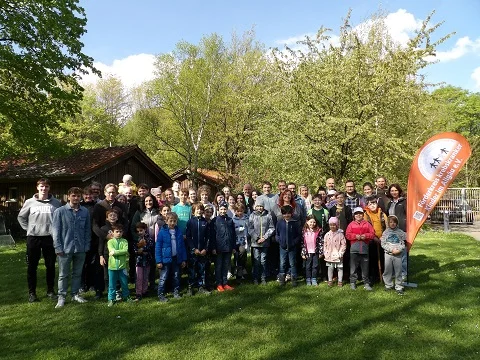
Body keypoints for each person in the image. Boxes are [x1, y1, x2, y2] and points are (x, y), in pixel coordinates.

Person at [18, 178, 62, 302]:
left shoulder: (56, 203)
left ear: (49, 188)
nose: (44, 189)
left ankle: (50, 291)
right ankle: (32, 293)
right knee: (32, 266)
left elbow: (60, 219)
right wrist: (29, 230)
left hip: (50, 238)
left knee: (50, 266)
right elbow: (21, 217)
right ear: (37, 187)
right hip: (34, 238)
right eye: (41, 186)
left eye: (46, 186)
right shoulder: (29, 202)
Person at [52, 187, 91, 308]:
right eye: (73, 196)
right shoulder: (60, 211)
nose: (76, 198)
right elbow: (55, 231)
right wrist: (58, 247)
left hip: (80, 248)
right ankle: (61, 296)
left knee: (77, 273)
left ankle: (75, 294)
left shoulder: (85, 211)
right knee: (63, 274)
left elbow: (87, 230)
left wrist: (86, 245)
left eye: (78, 196)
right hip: (64, 249)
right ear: (68, 196)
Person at [156, 212, 187, 302]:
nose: (173, 223)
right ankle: (161, 294)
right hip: (165, 259)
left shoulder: (178, 231)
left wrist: (184, 259)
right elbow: (158, 247)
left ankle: (176, 291)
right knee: (163, 277)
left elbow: (182, 246)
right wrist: (159, 261)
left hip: (176, 258)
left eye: (174, 221)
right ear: (166, 221)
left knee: (176, 276)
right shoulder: (162, 232)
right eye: (171, 221)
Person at [345, 207, 375, 291]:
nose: (358, 215)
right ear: (354, 215)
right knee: (353, 267)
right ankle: (353, 282)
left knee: (365, 267)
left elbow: (372, 234)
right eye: (356, 214)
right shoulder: (351, 224)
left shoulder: (367, 224)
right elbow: (347, 235)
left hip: (364, 248)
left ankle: (366, 282)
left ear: (363, 214)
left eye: (360, 213)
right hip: (354, 249)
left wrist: (366, 236)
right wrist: (355, 236)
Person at [185, 203, 211, 296]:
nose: (199, 211)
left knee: (202, 269)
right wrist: (193, 248)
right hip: (193, 251)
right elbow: (188, 237)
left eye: (200, 209)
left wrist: (205, 249)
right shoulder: (190, 222)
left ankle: (201, 287)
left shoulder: (205, 222)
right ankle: (190, 287)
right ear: (193, 211)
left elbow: (208, 237)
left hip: (203, 251)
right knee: (192, 270)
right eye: (197, 210)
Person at [248, 198, 275, 285]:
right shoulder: (252, 215)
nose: (259, 208)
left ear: (263, 207)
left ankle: (263, 278)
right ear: (255, 207)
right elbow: (250, 228)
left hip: (265, 242)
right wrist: (256, 238)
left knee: (263, 260)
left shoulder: (268, 215)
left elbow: (271, 228)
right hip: (255, 243)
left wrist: (265, 237)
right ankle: (255, 278)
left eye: (261, 206)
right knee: (256, 261)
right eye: (258, 206)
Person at [212, 201, 236, 292]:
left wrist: (233, 246)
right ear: (218, 209)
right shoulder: (215, 220)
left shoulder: (230, 220)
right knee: (218, 266)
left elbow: (233, 234)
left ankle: (225, 283)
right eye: (221, 209)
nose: (223, 211)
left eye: (224, 209)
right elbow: (213, 235)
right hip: (218, 248)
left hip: (228, 247)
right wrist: (213, 247)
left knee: (226, 265)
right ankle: (219, 284)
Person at [363, 195, 388, 284]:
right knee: (372, 258)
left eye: (374, 203)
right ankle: (373, 276)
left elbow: (387, 226)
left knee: (382, 258)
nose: (372, 205)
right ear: (367, 206)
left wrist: (383, 236)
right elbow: (366, 227)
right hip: (371, 240)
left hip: (382, 239)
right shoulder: (366, 215)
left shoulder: (382, 214)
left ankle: (383, 276)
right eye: (370, 204)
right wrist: (374, 237)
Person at [276, 205, 302, 287]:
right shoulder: (280, 223)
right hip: (282, 247)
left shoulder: (295, 223)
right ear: (282, 214)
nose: (286, 215)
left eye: (288, 213)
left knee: (292, 263)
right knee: (282, 263)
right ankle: (282, 279)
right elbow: (277, 234)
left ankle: (294, 279)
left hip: (292, 247)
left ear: (291, 213)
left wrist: (294, 243)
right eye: (284, 213)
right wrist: (280, 241)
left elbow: (298, 235)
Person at [385, 183, 407, 279]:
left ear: (399, 191)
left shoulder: (404, 201)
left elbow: (408, 215)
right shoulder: (389, 203)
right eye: (392, 191)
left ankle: (403, 273)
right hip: (391, 231)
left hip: (401, 229)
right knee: (393, 251)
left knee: (402, 252)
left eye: (396, 190)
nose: (394, 192)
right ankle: (394, 273)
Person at [106, 224, 132, 306]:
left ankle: (126, 296)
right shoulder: (110, 242)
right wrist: (115, 252)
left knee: (124, 283)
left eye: (120, 231)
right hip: (112, 267)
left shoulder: (124, 241)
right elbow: (111, 250)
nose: (119, 233)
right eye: (117, 231)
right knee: (112, 284)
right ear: (112, 233)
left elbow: (125, 250)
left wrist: (115, 252)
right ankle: (111, 299)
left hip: (122, 266)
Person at [381, 215, 407, 295]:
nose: (392, 224)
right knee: (388, 270)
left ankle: (399, 286)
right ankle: (388, 285)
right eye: (391, 222)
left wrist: (399, 250)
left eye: (394, 222)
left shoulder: (400, 232)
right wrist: (391, 250)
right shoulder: (385, 232)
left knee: (398, 271)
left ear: (397, 223)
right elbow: (383, 244)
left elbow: (403, 244)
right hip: (388, 254)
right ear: (388, 223)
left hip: (398, 255)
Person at [323, 217, 347, 287]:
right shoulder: (327, 234)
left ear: (337, 225)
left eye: (334, 225)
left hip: (338, 254)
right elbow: (325, 244)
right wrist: (325, 252)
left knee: (340, 268)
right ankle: (330, 280)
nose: (332, 226)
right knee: (330, 268)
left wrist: (341, 252)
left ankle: (340, 281)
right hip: (329, 255)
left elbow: (343, 244)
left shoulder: (340, 234)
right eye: (331, 225)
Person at [133, 222, 154, 301]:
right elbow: (135, 249)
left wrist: (143, 249)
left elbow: (150, 246)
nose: (139, 233)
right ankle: (138, 293)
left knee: (146, 276)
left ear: (145, 230)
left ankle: (144, 291)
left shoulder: (149, 238)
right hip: (139, 261)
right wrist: (140, 251)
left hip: (147, 260)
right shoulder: (136, 239)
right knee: (139, 277)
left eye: (141, 230)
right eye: (137, 231)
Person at [301, 215, 324, 286]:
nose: (312, 224)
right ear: (307, 222)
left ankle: (314, 279)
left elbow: (321, 242)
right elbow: (302, 243)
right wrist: (303, 253)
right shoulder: (304, 231)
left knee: (315, 266)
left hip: (315, 252)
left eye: (314, 222)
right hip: (307, 252)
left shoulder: (318, 231)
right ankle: (308, 279)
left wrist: (321, 252)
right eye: (310, 222)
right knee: (307, 266)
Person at [233, 203, 249, 280]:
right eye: (238, 211)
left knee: (243, 255)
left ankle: (242, 269)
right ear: (235, 211)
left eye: (241, 211)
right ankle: (238, 270)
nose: (240, 213)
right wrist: (238, 229)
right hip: (236, 240)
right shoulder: (233, 220)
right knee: (238, 255)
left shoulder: (246, 218)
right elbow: (232, 230)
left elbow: (249, 227)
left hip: (244, 240)